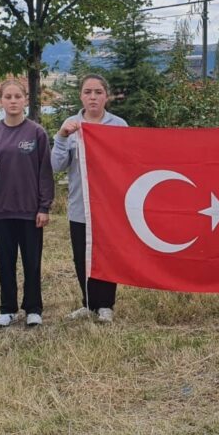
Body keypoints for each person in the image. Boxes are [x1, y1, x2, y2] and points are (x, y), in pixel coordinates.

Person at [52, 74, 127, 323]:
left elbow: (129, 164)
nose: (93, 97)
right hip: (79, 205)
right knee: (81, 255)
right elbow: (56, 165)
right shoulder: (70, 125)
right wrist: (62, 137)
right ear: (81, 96)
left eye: (98, 92)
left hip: (109, 206)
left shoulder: (119, 125)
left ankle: (105, 304)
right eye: (88, 92)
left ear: (106, 95)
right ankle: (88, 303)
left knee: (106, 254)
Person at [0, 81, 54, 328]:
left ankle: (33, 308)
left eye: (17, 96)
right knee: (6, 262)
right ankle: (7, 308)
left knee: (32, 262)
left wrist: (44, 207)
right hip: (2, 210)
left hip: (30, 211)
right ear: (0, 101)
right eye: (8, 97)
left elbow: (45, 172)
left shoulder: (36, 133)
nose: (13, 101)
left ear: (25, 100)